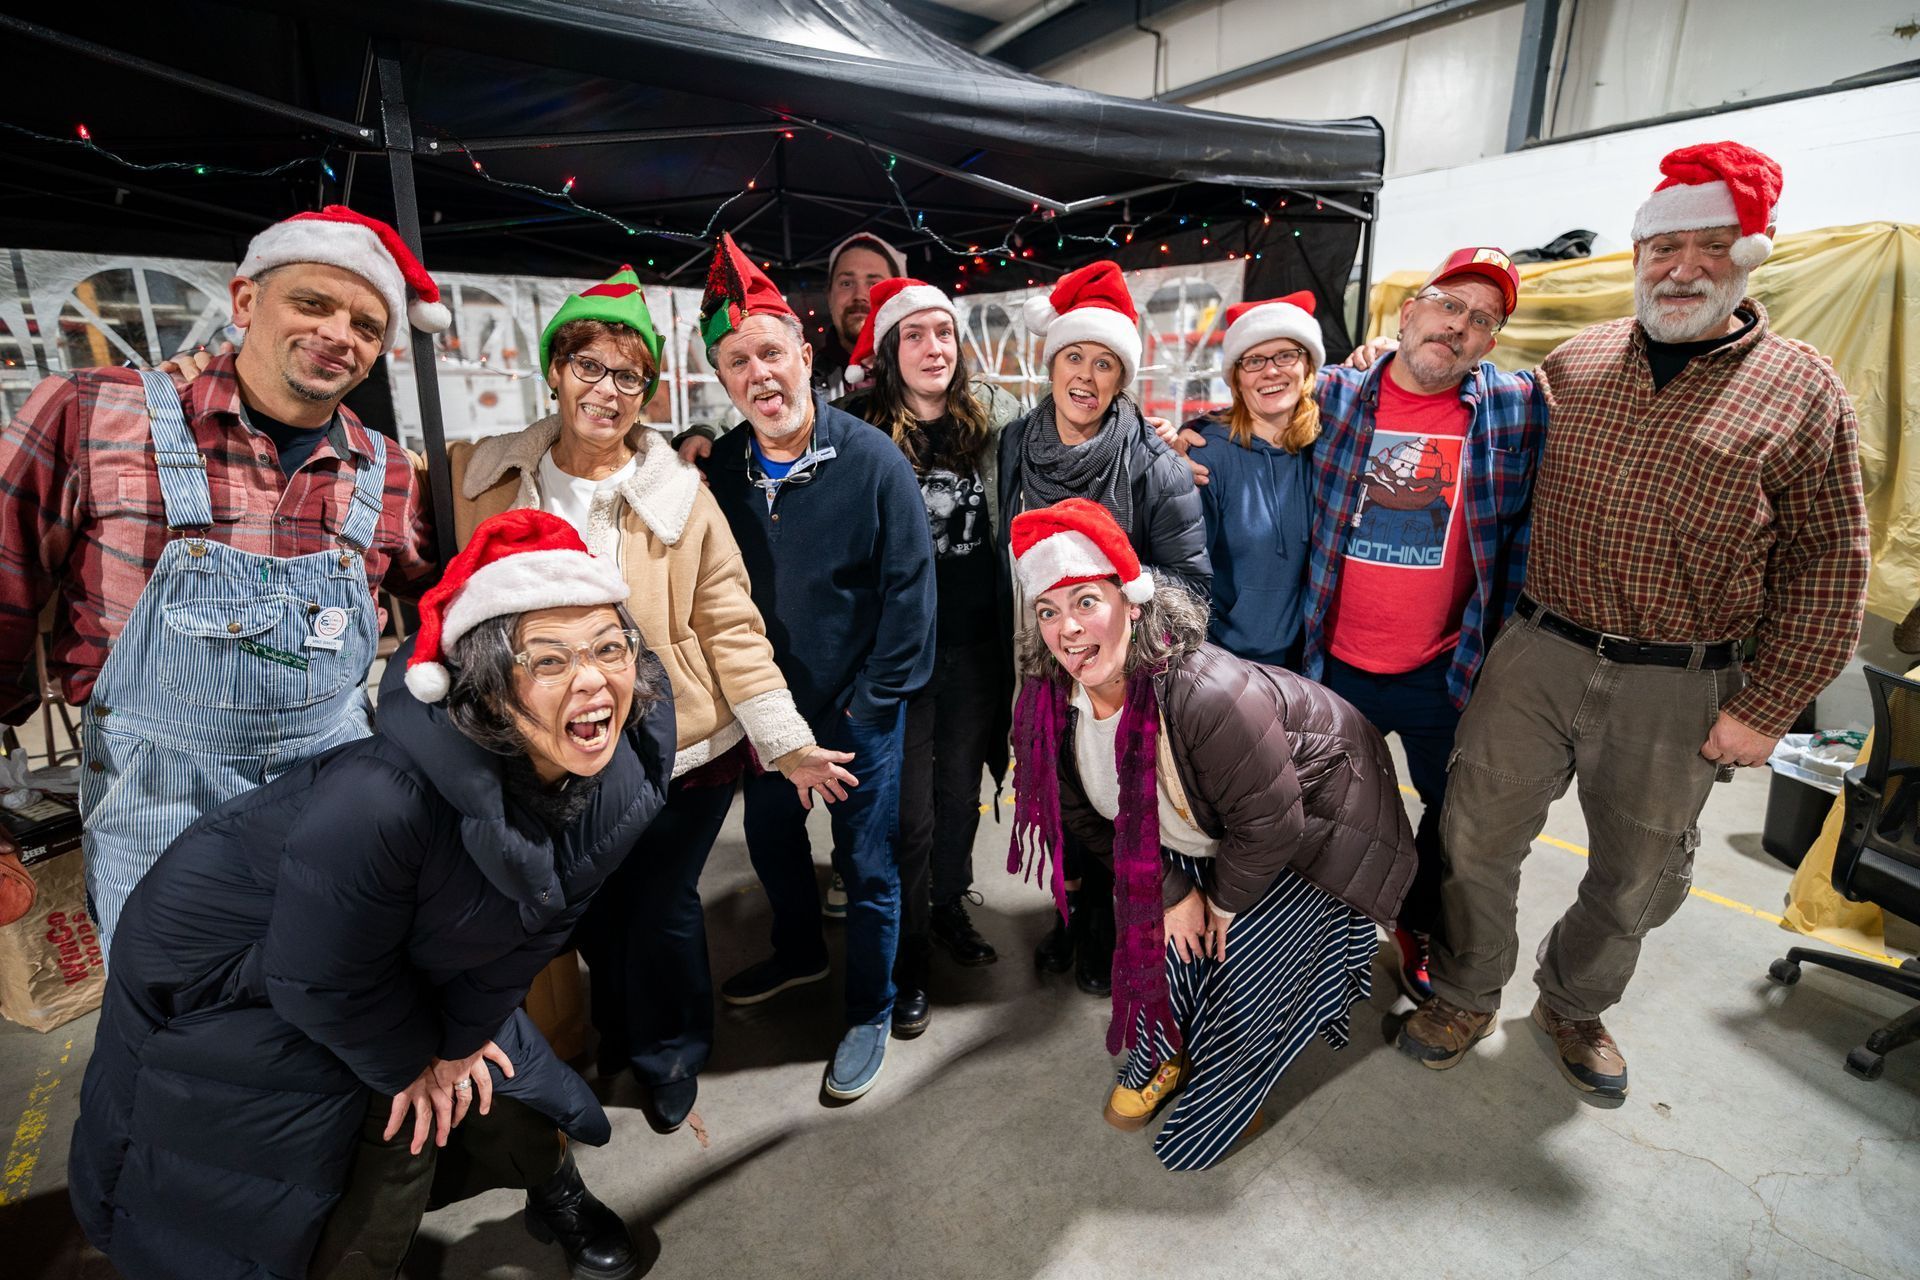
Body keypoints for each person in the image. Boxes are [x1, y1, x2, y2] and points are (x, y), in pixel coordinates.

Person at [68, 509, 676, 1280]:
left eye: (608, 647)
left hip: (389, 956)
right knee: (357, 1148)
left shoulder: (618, 771)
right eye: (548, 661)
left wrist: (459, 1040)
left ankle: (550, 1186)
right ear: (486, 692)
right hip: (232, 978)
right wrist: (412, 1063)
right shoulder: (380, 801)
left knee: (491, 1067)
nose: (593, 679)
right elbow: (313, 977)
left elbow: (538, 923)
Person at [1398, 142, 1870, 1099]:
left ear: (1749, 259)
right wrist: (1393, 357)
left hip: (1681, 681)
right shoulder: (1576, 363)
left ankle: (1575, 1006)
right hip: (1539, 647)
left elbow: (1831, 566)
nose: (1684, 267)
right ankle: (1465, 987)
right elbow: (1468, 400)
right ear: (1639, 255)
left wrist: (1770, 704)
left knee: (1638, 872)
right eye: (1665, 246)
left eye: (1711, 246)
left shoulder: (1803, 386)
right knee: (1474, 837)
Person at [446, 264, 856, 1135]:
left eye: (627, 376)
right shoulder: (489, 479)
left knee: (663, 903)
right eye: (588, 367)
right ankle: (620, 1031)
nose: (606, 390)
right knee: (589, 905)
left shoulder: (682, 495)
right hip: (551, 746)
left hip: (679, 748)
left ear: (648, 392)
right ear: (554, 369)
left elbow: (733, 627)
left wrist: (783, 740)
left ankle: (672, 1052)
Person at [0, 205, 442, 957]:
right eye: (313, 303)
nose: (340, 333)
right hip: (157, 808)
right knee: (179, 1029)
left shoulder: (388, 471)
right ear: (245, 301)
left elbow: (443, 598)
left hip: (332, 798)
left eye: (367, 325)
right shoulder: (90, 411)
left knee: (340, 1000)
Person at [1161, 250, 1544, 1003]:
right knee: (1325, 816)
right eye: (1446, 305)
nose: (1458, 325)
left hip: (1445, 667)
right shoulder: (1337, 396)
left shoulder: (1515, 408)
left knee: (1457, 820)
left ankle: (1419, 920)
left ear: (1492, 342)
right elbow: (1260, 399)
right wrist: (1172, 441)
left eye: (1481, 318)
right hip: (1329, 663)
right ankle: (1309, 942)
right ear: (1408, 312)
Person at [1005, 498, 1415, 1170]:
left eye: (1085, 602)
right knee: (1150, 924)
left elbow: (1274, 822)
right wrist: (1172, 891)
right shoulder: (1050, 701)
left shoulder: (1204, 693)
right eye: (1048, 612)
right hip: (1204, 829)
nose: (1067, 630)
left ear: (1131, 604)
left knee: (1243, 957)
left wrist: (1219, 902)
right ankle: (1163, 1052)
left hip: (1315, 822)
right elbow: (1087, 819)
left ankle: (1235, 1080)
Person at [696, 233, 936, 1101]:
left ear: (805, 355)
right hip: (765, 714)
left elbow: (911, 603)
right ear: (722, 380)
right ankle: (797, 953)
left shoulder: (873, 463)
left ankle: (869, 1008)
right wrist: (768, 722)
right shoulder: (717, 469)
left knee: (867, 868)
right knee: (770, 843)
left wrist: (866, 717)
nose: (759, 373)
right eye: (736, 362)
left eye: (771, 352)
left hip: (858, 718)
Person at [1000, 258, 1212, 997]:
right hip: (1038, 665)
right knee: (1059, 799)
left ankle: (1113, 932)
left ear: (1122, 378)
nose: (1085, 377)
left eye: (1103, 363)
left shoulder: (1157, 468)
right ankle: (1072, 914)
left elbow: (1190, 585)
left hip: (1122, 678)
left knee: (1118, 806)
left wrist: (1126, 613)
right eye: (1073, 358)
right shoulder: (1015, 446)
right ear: (1050, 360)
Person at [836, 277, 1024, 1034]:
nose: (932, 348)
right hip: (900, 655)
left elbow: (1076, 428)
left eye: (943, 333)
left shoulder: (995, 423)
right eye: (914, 335)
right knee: (905, 813)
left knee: (959, 797)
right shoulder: (853, 430)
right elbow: (768, 432)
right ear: (889, 351)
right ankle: (904, 951)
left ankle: (948, 906)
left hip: (978, 649)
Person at [1180, 291, 1324, 668]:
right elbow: (1183, 574)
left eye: (1286, 355)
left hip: (1304, 664)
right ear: (1237, 380)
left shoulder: (1325, 450)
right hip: (1223, 664)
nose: (1271, 371)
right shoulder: (1207, 453)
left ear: (1307, 366)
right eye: (1254, 360)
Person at [817, 232, 908, 398]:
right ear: (829, 296)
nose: (860, 295)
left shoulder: (923, 372)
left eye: (874, 284)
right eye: (846, 283)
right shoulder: (803, 382)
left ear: (898, 297)